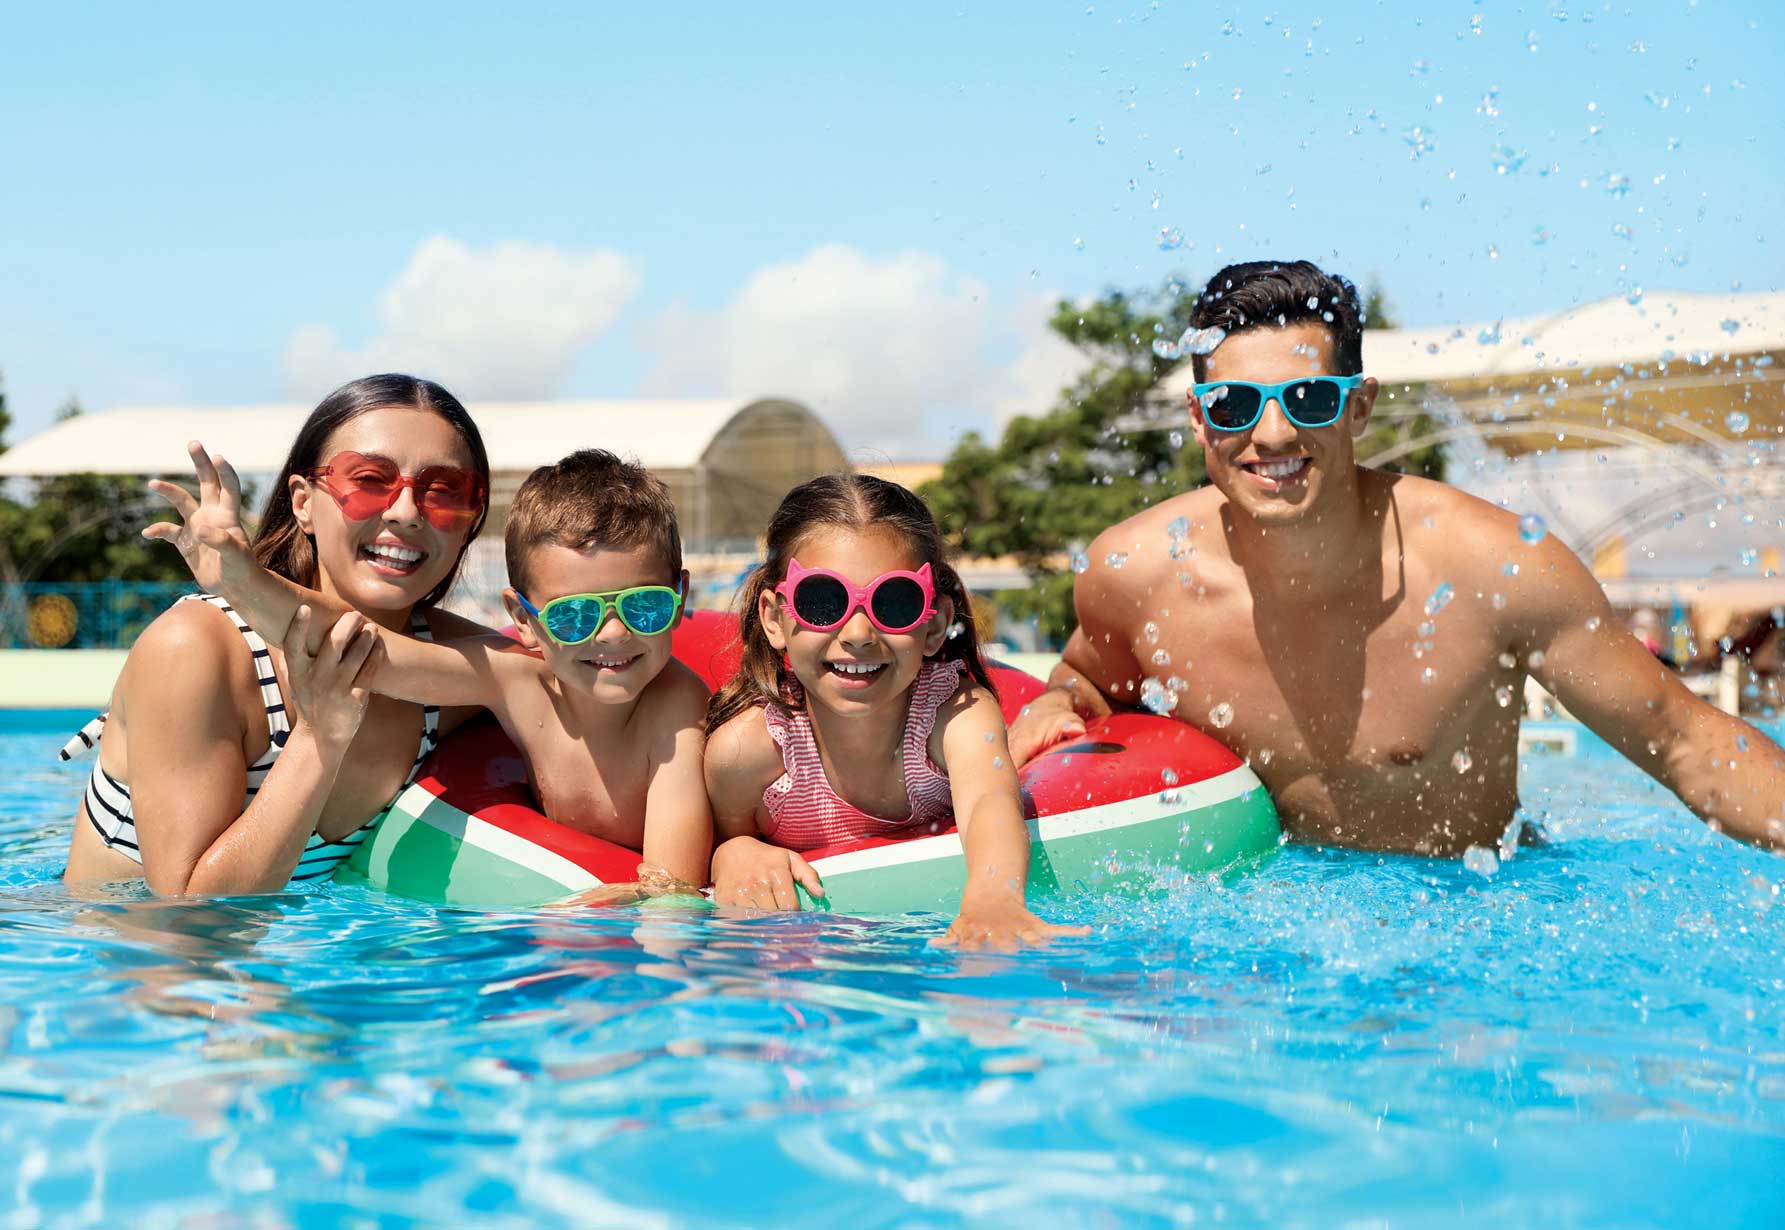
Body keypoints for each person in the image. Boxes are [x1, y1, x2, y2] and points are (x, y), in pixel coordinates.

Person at [1010, 260, 1785, 854]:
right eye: (1234, 406)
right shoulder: (1135, 573)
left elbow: (1689, 745)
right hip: (1260, 962)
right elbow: (1087, 679)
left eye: (1309, 400)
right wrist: (1056, 704)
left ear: (1360, 403)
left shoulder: (1491, 567)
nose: (1273, 435)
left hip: (1472, 928)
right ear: (1200, 418)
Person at [146, 446, 713, 888]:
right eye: (573, 616)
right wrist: (243, 581)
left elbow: (672, 886)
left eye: (644, 606)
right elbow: (363, 647)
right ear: (524, 619)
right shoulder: (516, 682)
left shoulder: (674, 704)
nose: (613, 633)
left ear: (679, 596)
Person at [63, 374, 494, 894]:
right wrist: (320, 735)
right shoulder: (195, 650)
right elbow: (194, 917)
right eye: (369, 480)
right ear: (302, 501)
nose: (405, 512)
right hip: (122, 953)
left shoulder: (462, 672)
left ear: (470, 519)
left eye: (444, 490)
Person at [702, 473, 1089, 949]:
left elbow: (990, 800)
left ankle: (1020, 743)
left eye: (895, 602)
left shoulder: (954, 715)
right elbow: (708, 845)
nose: (860, 633)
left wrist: (994, 898)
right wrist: (734, 851)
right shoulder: (748, 752)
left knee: (999, 760)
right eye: (823, 601)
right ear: (774, 619)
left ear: (934, 625)